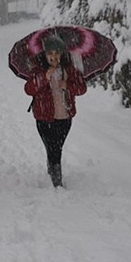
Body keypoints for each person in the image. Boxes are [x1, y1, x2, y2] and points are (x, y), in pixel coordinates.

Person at [24, 34, 87, 187]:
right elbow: (28, 89)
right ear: (44, 55)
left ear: (62, 54)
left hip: (65, 117)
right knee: (53, 147)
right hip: (44, 117)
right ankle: (56, 181)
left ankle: (52, 167)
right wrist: (44, 77)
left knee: (56, 147)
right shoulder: (37, 70)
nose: (53, 57)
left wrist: (68, 85)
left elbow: (82, 88)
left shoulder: (69, 69)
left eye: (56, 53)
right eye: (50, 53)